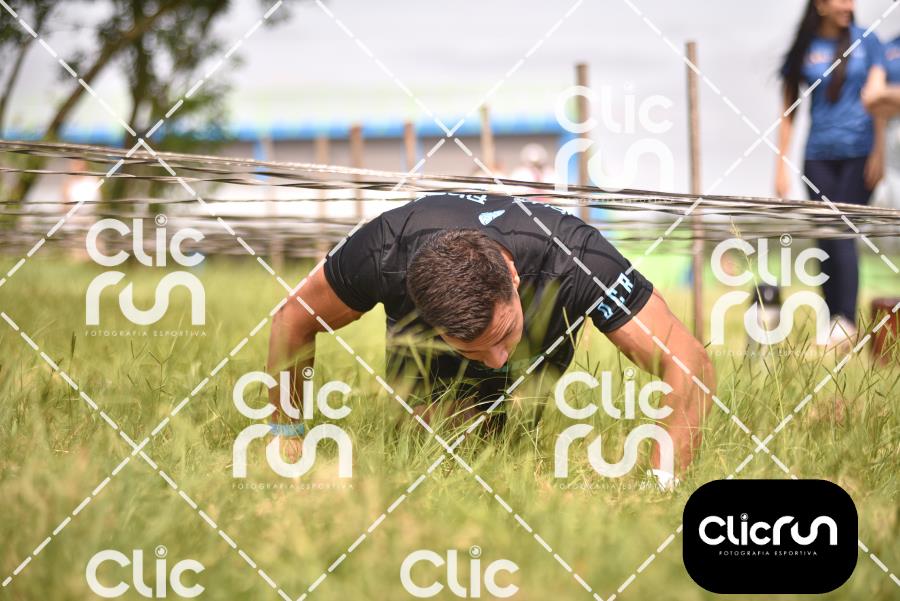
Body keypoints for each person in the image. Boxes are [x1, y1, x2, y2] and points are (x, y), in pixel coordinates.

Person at [266, 193, 714, 485]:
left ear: (513, 277)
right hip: (429, 394)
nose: (496, 359)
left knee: (512, 453)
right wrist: (288, 435)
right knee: (431, 464)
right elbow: (291, 321)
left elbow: (692, 362)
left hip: (530, 388)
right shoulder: (384, 249)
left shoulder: (577, 256)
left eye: (503, 335)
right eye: (474, 348)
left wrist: (662, 486)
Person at [776, 0, 886, 348]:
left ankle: (846, 322)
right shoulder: (806, 48)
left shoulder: (867, 41)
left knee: (842, 231)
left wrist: (879, 151)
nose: (849, 5)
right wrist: (780, 164)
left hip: (860, 155)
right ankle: (832, 321)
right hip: (817, 157)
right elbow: (789, 110)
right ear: (821, 5)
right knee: (825, 237)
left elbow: (879, 101)